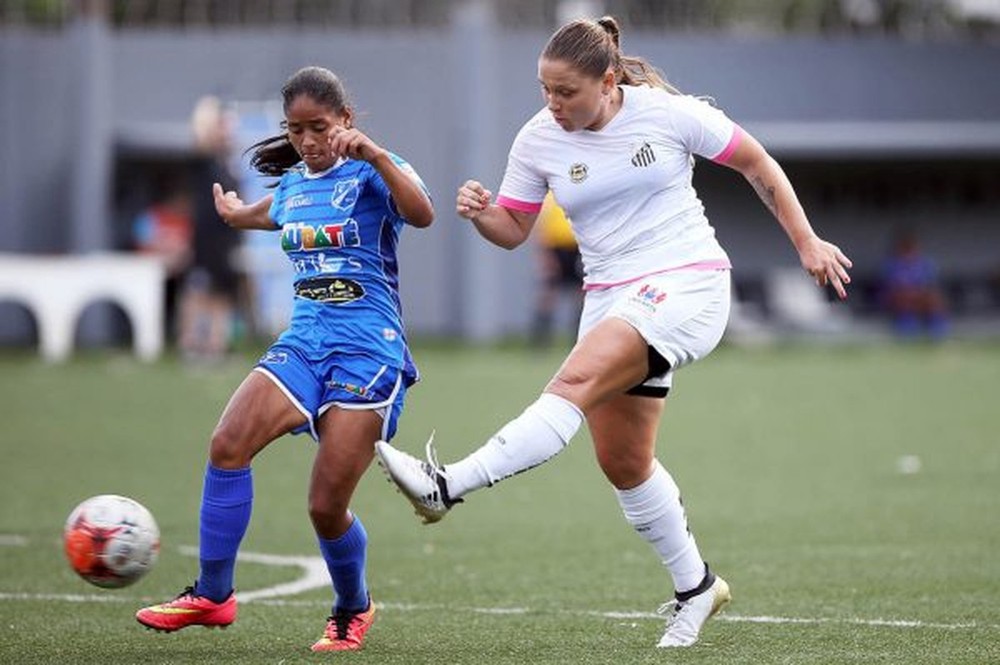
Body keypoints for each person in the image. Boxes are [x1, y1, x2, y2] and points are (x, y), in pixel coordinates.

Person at [374, 16, 852, 650]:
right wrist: (482, 212)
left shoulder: (667, 114)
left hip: (688, 283)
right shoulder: (538, 138)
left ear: (607, 82)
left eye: (566, 91)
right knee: (623, 461)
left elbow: (756, 162)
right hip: (608, 297)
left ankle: (446, 485)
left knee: (571, 383)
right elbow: (513, 229)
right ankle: (697, 587)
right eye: (545, 89)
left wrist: (806, 240)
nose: (553, 103)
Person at [135, 65, 434, 652]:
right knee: (228, 443)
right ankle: (213, 595)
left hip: (367, 353)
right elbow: (275, 211)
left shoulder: (376, 170)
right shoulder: (296, 184)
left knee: (325, 507)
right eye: (296, 130)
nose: (308, 141)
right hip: (304, 343)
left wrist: (375, 155)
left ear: (345, 119)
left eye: (319, 127)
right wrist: (235, 214)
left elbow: (422, 212)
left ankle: (353, 606)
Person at [177, 96, 244, 362]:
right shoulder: (204, 159)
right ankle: (191, 343)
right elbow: (201, 134)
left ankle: (216, 345)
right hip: (205, 241)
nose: (227, 132)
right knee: (198, 291)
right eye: (222, 126)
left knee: (222, 294)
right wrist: (210, 112)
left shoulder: (227, 161)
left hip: (226, 240)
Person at [530, 191, 584, 347]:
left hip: (577, 248)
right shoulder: (549, 199)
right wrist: (545, 256)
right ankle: (541, 339)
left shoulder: (575, 194)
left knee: (581, 293)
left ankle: (578, 337)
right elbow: (540, 229)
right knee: (549, 294)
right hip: (555, 248)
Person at [880, 229, 949, 340]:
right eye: (905, 246)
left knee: (935, 299)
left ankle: (938, 333)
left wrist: (919, 295)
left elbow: (931, 286)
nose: (909, 249)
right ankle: (907, 330)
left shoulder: (925, 263)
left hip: (921, 298)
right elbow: (890, 288)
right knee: (903, 299)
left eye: (911, 246)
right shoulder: (891, 265)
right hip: (899, 300)